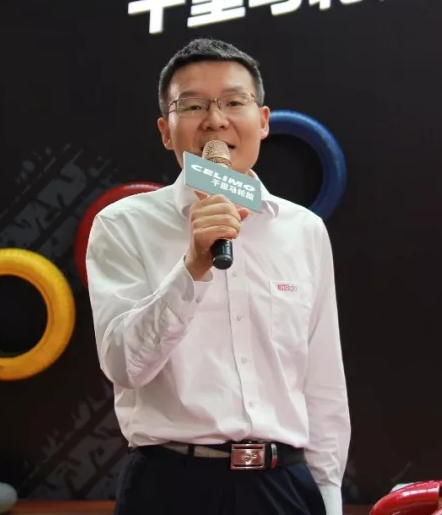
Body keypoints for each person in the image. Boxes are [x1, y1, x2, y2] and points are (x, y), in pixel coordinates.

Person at [86, 38, 350, 515]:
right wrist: (192, 267)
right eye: (192, 106)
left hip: (284, 486)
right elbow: (124, 365)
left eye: (233, 102)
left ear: (262, 121)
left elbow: (323, 380)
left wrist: (328, 494)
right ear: (166, 131)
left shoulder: (303, 230)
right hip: (171, 486)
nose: (215, 120)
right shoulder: (123, 225)